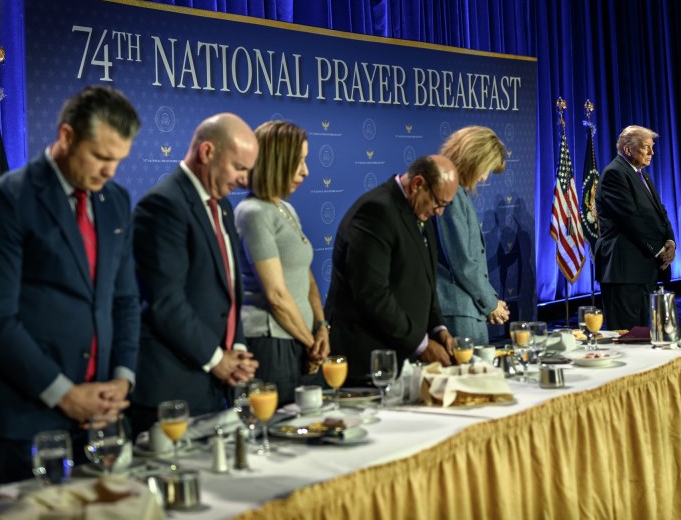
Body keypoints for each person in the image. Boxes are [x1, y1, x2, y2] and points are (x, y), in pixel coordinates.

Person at [0, 86, 142, 484]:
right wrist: (65, 395)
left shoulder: (117, 201)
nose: (110, 172)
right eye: (102, 157)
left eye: (119, 161)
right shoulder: (7, 201)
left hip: (102, 414)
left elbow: (125, 301)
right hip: (27, 421)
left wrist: (122, 379)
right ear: (67, 136)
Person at [130, 113, 260, 434]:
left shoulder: (222, 206)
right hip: (172, 390)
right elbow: (166, 302)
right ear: (206, 153)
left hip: (216, 386)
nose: (245, 180)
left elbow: (227, 292)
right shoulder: (162, 205)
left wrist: (237, 351)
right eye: (239, 168)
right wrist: (217, 359)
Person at [324, 155, 459, 382]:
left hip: (400, 359)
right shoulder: (376, 211)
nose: (440, 212)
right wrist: (422, 344)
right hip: (368, 360)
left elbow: (425, 281)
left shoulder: (418, 211)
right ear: (417, 184)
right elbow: (372, 293)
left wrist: (438, 329)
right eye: (439, 202)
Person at [234, 120, 328, 405]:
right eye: (298, 161)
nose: (305, 171)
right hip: (272, 344)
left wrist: (321, 326)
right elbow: (275, 296)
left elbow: (306, 273)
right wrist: (311, 344)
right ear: (276, 162)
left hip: (302, 341)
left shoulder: (285, 208)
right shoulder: (253, 213)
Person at [593, 125, 676, 332]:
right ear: (628, 150)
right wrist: (658, 249)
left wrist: (670, 241)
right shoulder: (614, 174)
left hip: (643, 268)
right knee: (625, 335)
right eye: (647, 147)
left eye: (652, 147)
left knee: (641, 334)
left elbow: (659, 212)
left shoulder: (641, 174)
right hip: (624, 270)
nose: (652, 153)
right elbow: (631, 219)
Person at [434, 126, 510, 343]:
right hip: (457, 311)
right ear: (474, 158)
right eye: (486, 168)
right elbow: (461, 261)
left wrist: (490, 301)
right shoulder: (452, 193)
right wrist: (491, 302)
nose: (485, 177)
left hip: (467, 308)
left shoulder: (458, 193)